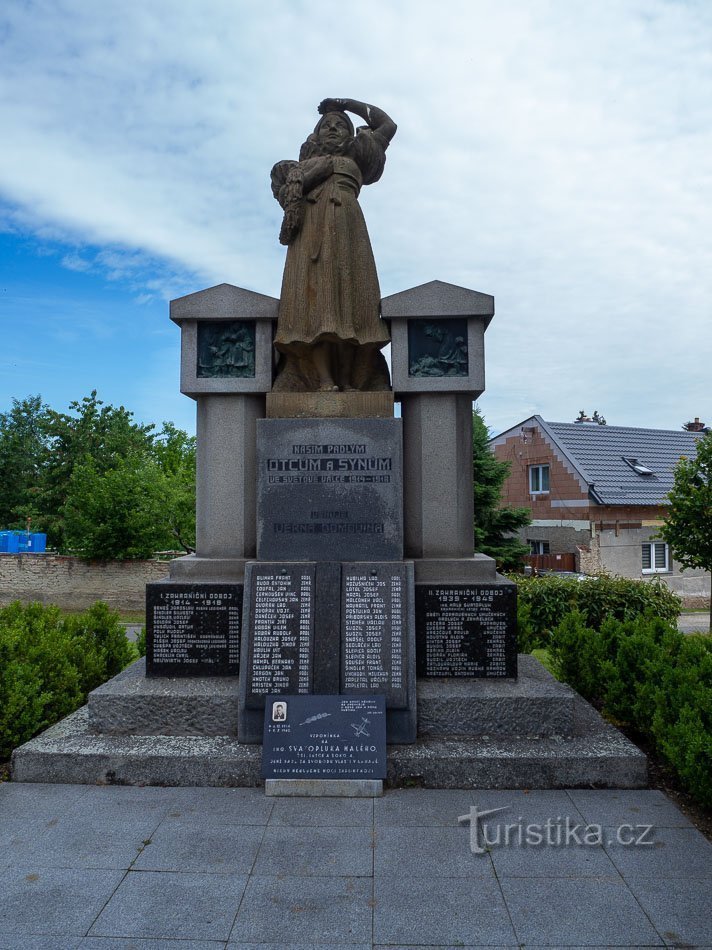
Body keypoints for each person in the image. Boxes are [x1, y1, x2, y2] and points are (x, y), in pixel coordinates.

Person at [270, 97, 396, 392]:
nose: (333, 129)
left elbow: (387, 125)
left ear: (350, 135)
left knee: (355, 308)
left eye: (341, 126)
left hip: (350, 234)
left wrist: (343, 103)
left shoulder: (358, 158)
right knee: (316, 311)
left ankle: (352, 379)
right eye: (327, 125)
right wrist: (317, 170)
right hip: (310, 236)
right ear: (315, 134)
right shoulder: (296, 169)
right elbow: (286, 195)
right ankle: (322, 379)